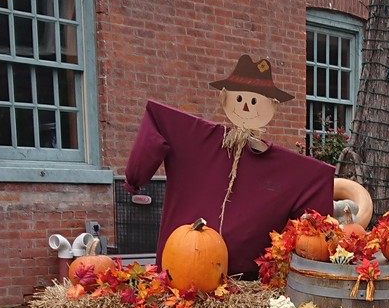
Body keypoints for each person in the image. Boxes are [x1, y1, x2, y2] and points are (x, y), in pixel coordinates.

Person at [124, 55, 334, 278]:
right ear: (225, 99)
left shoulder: (289, 168)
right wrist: (135, 177)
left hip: (245, 279)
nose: (246, 105)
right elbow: (158, 121)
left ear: (271, 107)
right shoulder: (194, 136)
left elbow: (315, 186)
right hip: (181, 267)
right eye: (240, 98)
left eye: (255, 101)